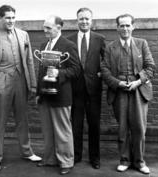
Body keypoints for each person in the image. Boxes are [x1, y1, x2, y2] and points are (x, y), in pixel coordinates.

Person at [0, 4, 41, 171]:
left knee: (23, 119)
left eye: (13, 17)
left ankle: (27, 152)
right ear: (0, 18)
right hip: (1, 81)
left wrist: (32, 84)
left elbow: (29, 60)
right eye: (7, 17)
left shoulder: (23, 35)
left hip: (21, 80)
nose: (11, 21)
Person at [101, 14, 155, 175]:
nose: (124, 28)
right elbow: (104, 70)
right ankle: (124, 160)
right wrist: (118, 83)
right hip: (119, 92)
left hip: (139, 90)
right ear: (117, 28)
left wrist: (138, 82)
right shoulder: (111, 47)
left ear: (133, 26)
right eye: (121, 26)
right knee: (123, 128)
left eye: (127, 25)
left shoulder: (141, 44)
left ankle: (139, 161)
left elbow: (150, 67)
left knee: (139, 127)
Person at [36, 15, 81, 175]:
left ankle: (66, 161)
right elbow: (41, 71)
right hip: (44, 96)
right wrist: (38, 92)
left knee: (62, 130)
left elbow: (76, 70)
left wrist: (58, 72)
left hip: (61, 95)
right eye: (44, 27)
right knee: (47, 130)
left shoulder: (68, 45)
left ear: (59, 28)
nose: (45, 30)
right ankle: (49, 159)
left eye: (48, 27)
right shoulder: (43, 45)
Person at [67, 7, 105, 169]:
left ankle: (94, 158)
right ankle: (76, 156)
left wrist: (101, 74)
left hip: (94, 90)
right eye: (81, 19)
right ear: (77, 20)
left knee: (94, 125)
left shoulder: (100, 39)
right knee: (75, 125)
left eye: (87, 19)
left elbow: (107, 61)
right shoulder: (68, 40)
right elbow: (65, 62)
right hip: (75, 90)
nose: (84, 21)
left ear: (91, 20)